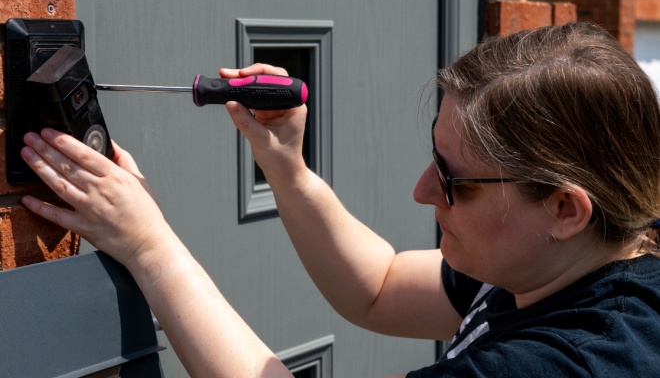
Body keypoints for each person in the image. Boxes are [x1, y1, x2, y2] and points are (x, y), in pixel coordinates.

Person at [20, 21, 660, 377]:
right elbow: (376, 288)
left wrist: (149, 244)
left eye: (453, 179)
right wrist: (286, 166)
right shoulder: (560, 269)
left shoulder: (575, 362)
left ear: (565, 210)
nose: (421, 190)